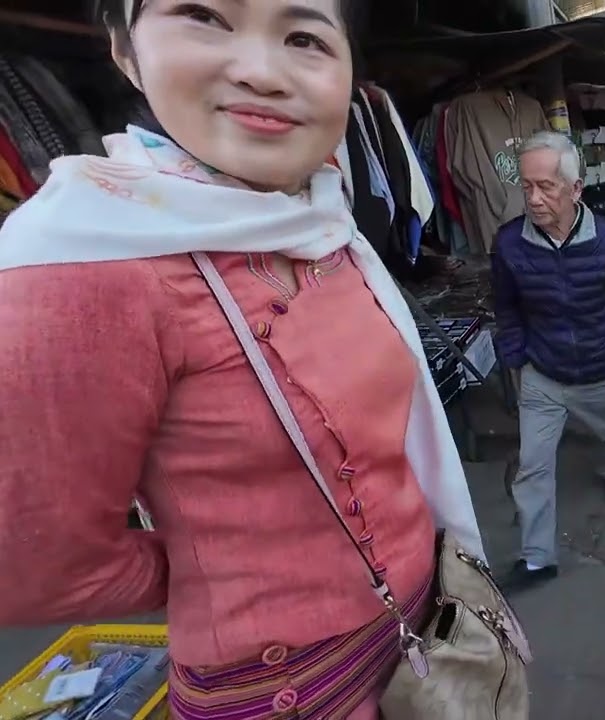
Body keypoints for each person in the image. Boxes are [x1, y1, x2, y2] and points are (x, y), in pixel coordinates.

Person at [0, 1, 484, 718]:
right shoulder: (78, 269)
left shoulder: (326, 225)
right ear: (125, 50)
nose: (261, 71)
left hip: (427, 642)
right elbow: (30, 568)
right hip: (283, 694)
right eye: (203, 16)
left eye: (304, 37)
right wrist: (215, 565)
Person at [491, 131, 605, 592]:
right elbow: (507, 308)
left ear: (575, 189)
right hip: (544, 373)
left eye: (546, 186)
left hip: (603, 368)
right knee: (533, 466)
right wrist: (516, 361)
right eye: (527, 186)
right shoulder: (509, 244)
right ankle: (538, 559)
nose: (534, 199)